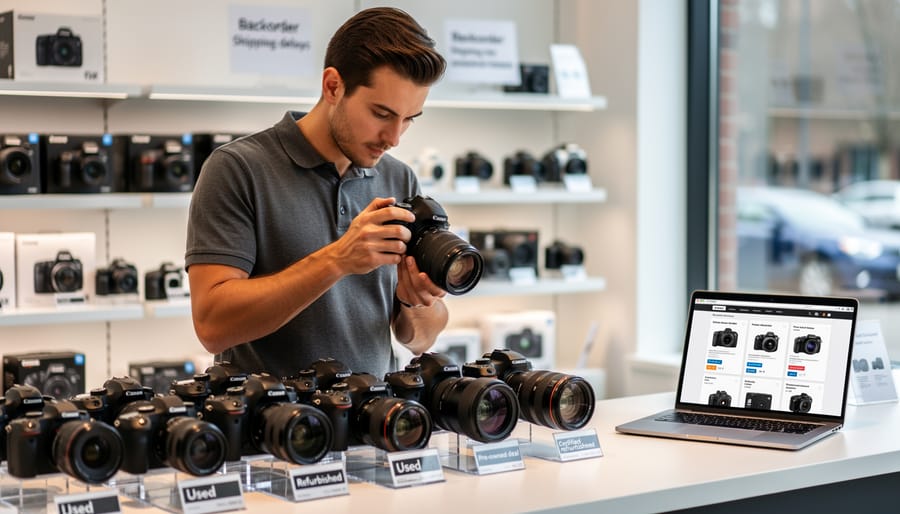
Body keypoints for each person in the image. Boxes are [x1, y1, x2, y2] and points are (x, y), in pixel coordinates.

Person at [184, 7, 449, 379]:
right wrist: (338, 259)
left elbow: (421, 338)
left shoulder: (400, 180)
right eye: (381, 113)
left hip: (376, 426)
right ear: (333, 86)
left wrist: (413, 299)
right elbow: (212, 326)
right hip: (270, 428)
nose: (394, 138)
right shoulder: (237, 169)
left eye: (408, 119)